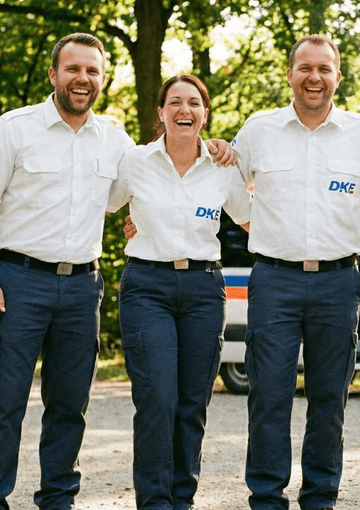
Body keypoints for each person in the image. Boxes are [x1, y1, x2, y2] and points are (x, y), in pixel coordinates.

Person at [0, 33, 136, 510]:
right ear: (54, 75)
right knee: (3, 401)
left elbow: (143, 190)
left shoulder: (116, 139)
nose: (83, 79)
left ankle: (58, 498)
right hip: (17, 283)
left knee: (69, 405)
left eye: (92, 71)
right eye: (74, 69)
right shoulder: (14, 128)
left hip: (84, 287)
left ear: (102, 79)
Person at [229, 34, 360, 510]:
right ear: (290, 74)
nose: (314, 77)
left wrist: (347, 230)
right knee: (268, 398)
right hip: (274, 279)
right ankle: (267, 497)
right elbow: (229, 184)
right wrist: (264, 228)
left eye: (324, 69)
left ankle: (320, 497)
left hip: (338, 281)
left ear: (338, 76)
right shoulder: (258, 130)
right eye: (305, 68)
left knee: (328, 399)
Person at [106, 74, 251, 510]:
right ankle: (154, 503)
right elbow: (100, 203)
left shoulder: (224, 166)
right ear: (160, 112)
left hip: (204, 290)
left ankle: (181, 500)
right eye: (175, 102)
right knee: (157, 398)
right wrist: (127, 223)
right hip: (146, 287)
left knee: (192, 403)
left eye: (194, 103)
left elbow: (255, 219)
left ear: (205, 114)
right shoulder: (135, 160)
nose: (184, 110)